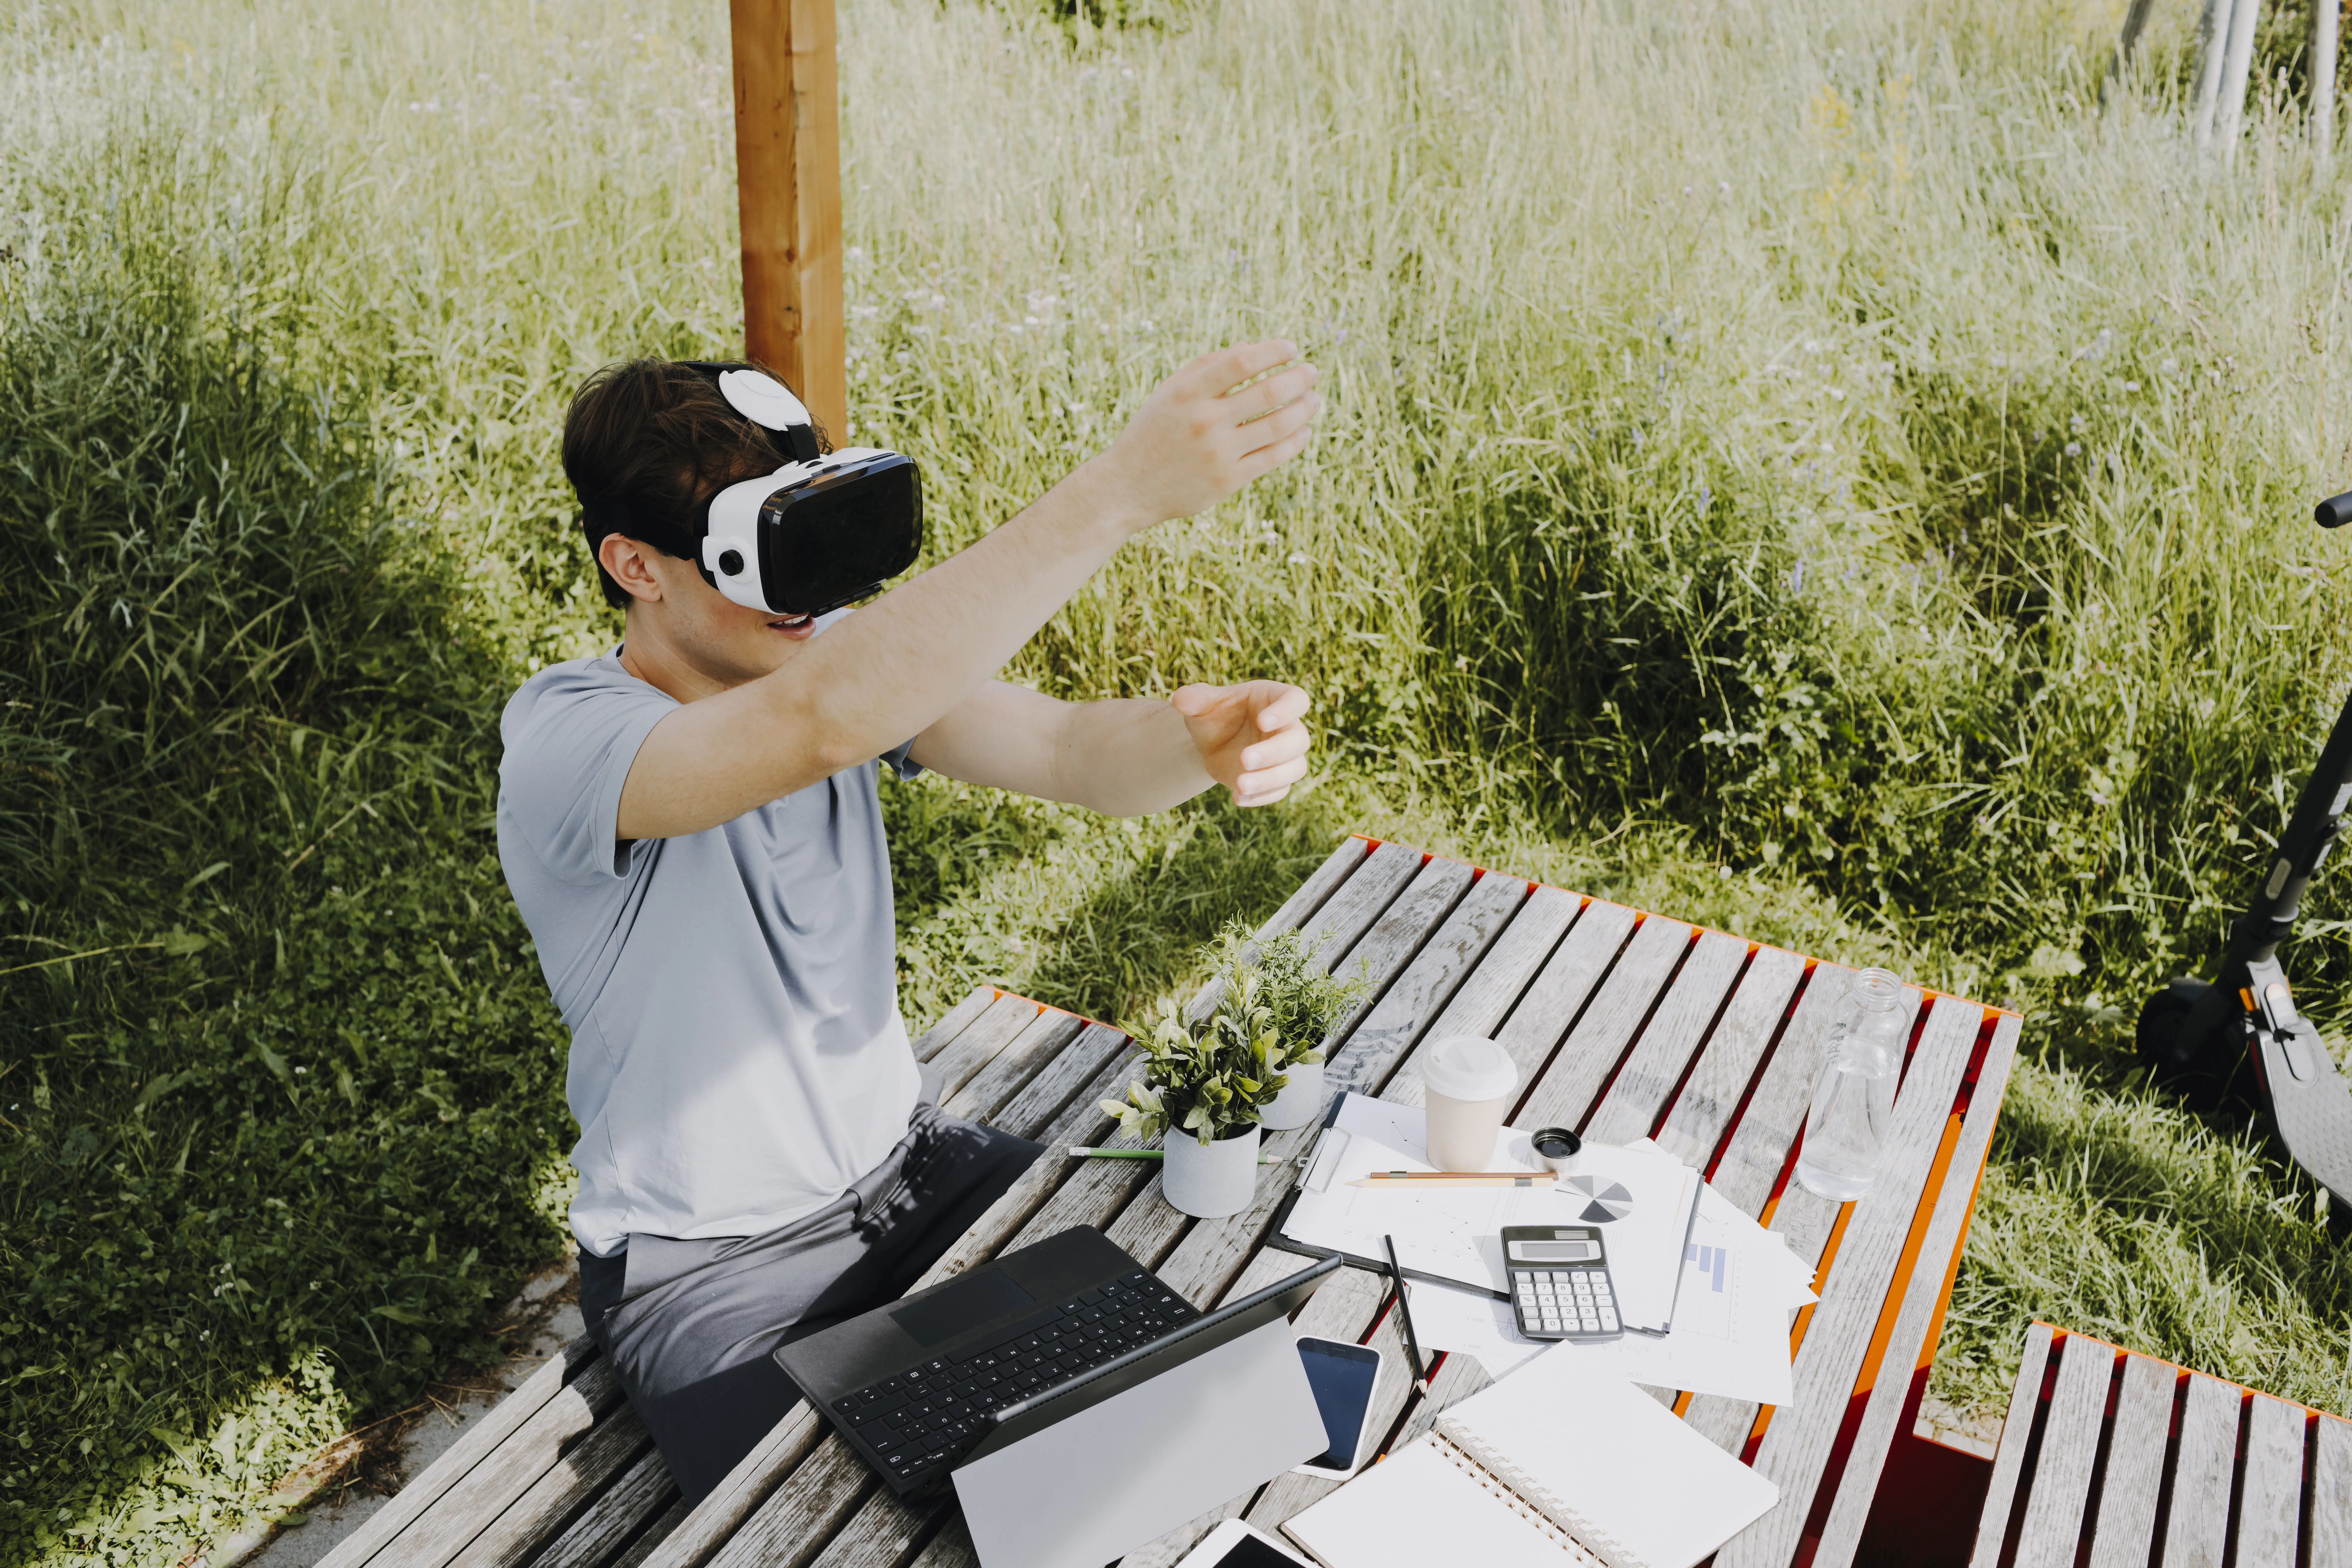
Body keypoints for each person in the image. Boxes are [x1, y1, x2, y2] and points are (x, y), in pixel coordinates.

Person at [495, 340, 1322, 1503]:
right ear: (636, 564)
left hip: (915, 1176)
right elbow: (823, 722)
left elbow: (1070, 751)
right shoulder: (566, 740)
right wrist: (1118, 493)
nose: (810, 597)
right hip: (711, 1277)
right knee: (861, 1526)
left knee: (1187, 1406)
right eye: (761, 554)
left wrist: (1200, 740)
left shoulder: (833, 659)